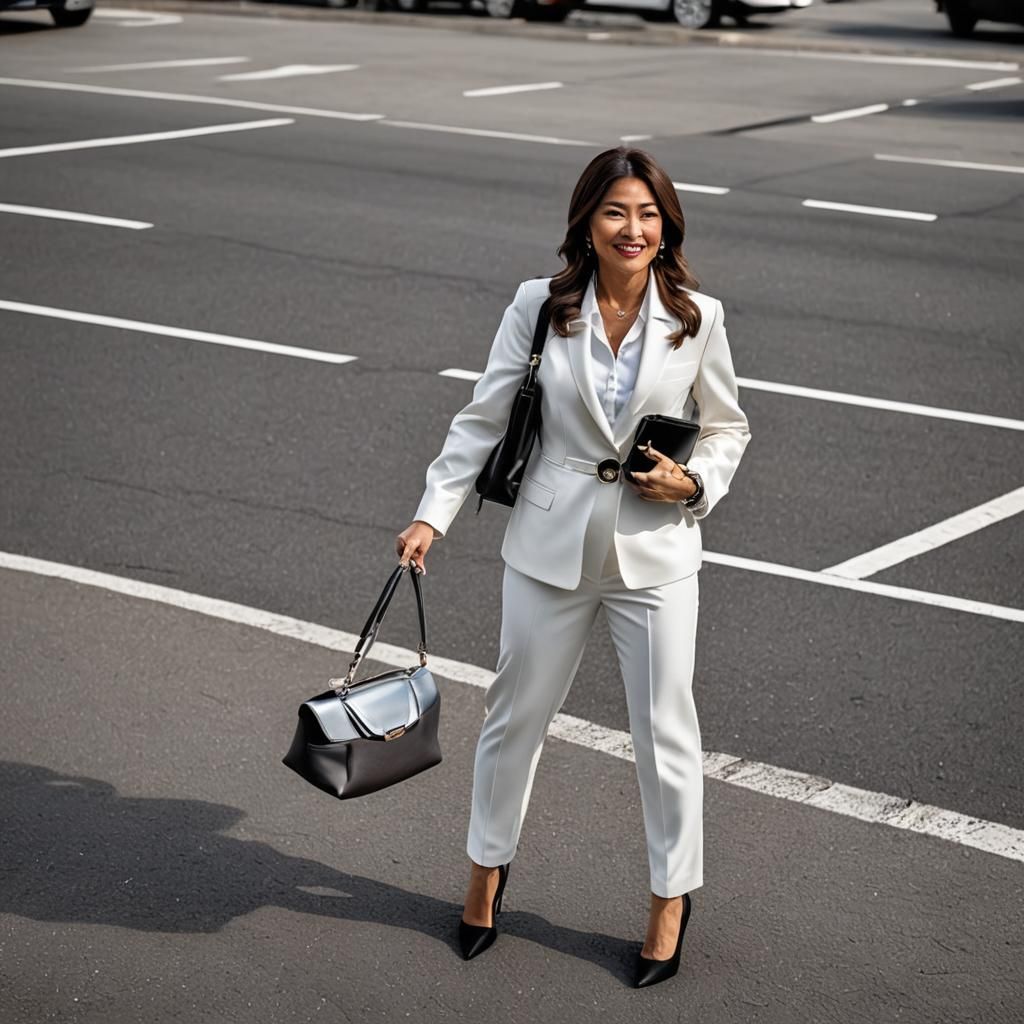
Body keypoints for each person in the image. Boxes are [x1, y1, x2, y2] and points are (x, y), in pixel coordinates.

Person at [395, 147, 751, 988]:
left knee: (666, 735)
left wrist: (691, 482)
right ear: (587, 225)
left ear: (666, 228)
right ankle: (486, 874)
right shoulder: (538, 305)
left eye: (649, 215)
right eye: (616, 213)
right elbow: (483, 414)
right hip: (548, 548)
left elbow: (729, 425)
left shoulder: (700, 315)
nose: (634, 230)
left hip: (655, 553)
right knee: (512, 719)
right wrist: (431, 512)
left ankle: (670, 901)